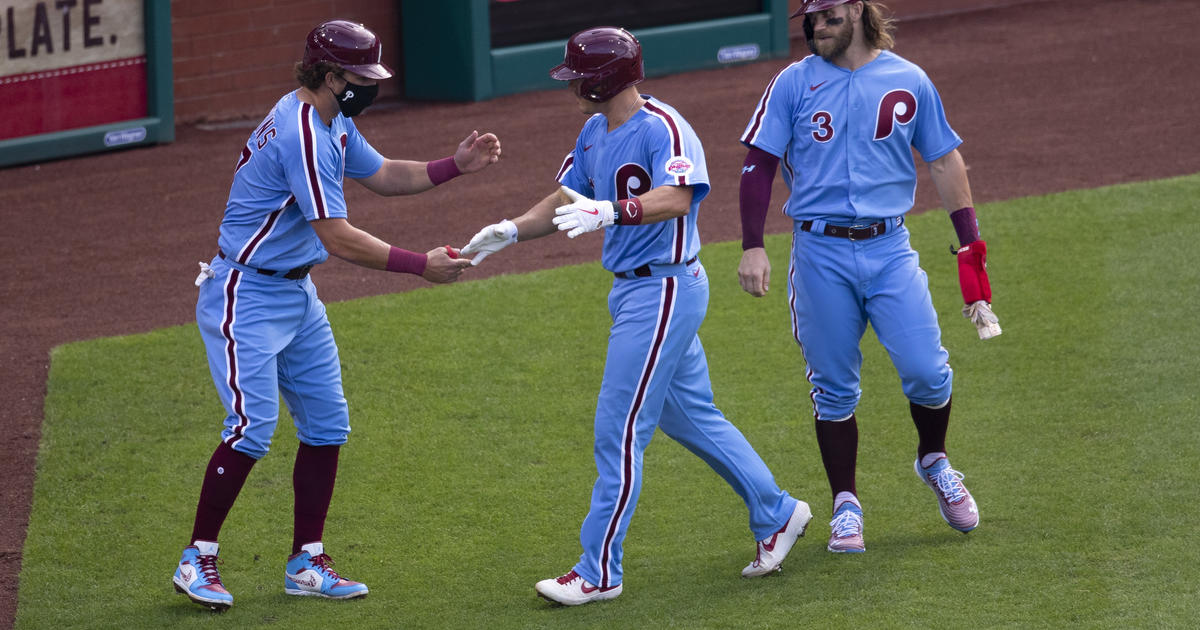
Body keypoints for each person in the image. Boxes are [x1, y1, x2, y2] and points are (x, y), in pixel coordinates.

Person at [460, 26, 812, 606]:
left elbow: (679, 196)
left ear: (604, 77)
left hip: (665, 290)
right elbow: (567, 198)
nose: (572, 86)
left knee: (619, 431)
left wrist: (613, 211)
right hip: (633, 292)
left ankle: (599, 571)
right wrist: (510, 231)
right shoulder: (596, 130)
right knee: (688, 416)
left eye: (578, 76)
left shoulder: (664, 128)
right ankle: (777, 512)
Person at [172, 20, 500, 611]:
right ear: (328, 76)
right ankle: (197, 558)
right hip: (244, 296)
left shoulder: (333, 118)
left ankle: (306, 560)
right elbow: (338, 236)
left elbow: (383, 176)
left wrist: (454, 164)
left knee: (327, 426)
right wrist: (417, 265)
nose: (370, 87)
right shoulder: (302, 133)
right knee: (252, 430)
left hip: (296, 296)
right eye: (360, 77)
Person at [736, 0, 998, 554]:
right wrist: (753, 245)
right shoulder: (792, 83)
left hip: (889, 248)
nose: (815, 24)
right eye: (808, 17)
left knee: (928, 370)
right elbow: (759, 162)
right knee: (832, 388)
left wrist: (969, 239)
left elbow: (944, 159)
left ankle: (934, 460)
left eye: (826, 12)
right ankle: (846, 505)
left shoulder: (909, 79)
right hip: (818, 254)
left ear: (857, 8)